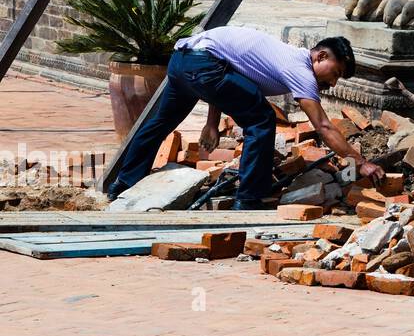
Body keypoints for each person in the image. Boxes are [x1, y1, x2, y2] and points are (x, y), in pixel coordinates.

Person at [108, 26, 383, 207]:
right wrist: (361, 162)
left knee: (160, 123)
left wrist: (212, 123)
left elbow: (229, 71)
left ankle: (124, 183)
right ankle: (249, 199)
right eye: (334, 73)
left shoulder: (286, 57)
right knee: (262, 119)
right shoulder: (300, 69)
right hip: (203, 64)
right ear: (320, 56)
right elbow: (323, 125)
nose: (332, 83)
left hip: (183, 61)